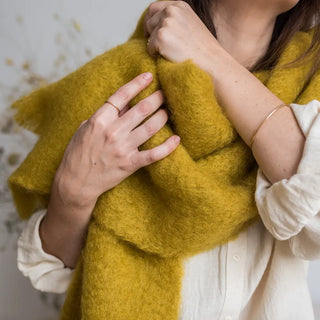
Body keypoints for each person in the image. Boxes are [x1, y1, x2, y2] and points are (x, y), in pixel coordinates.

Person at [16, 0, 320, 319]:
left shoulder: (312, 81)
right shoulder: (121, 79)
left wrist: (210, 58)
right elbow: (52, 270)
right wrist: (72, 196)